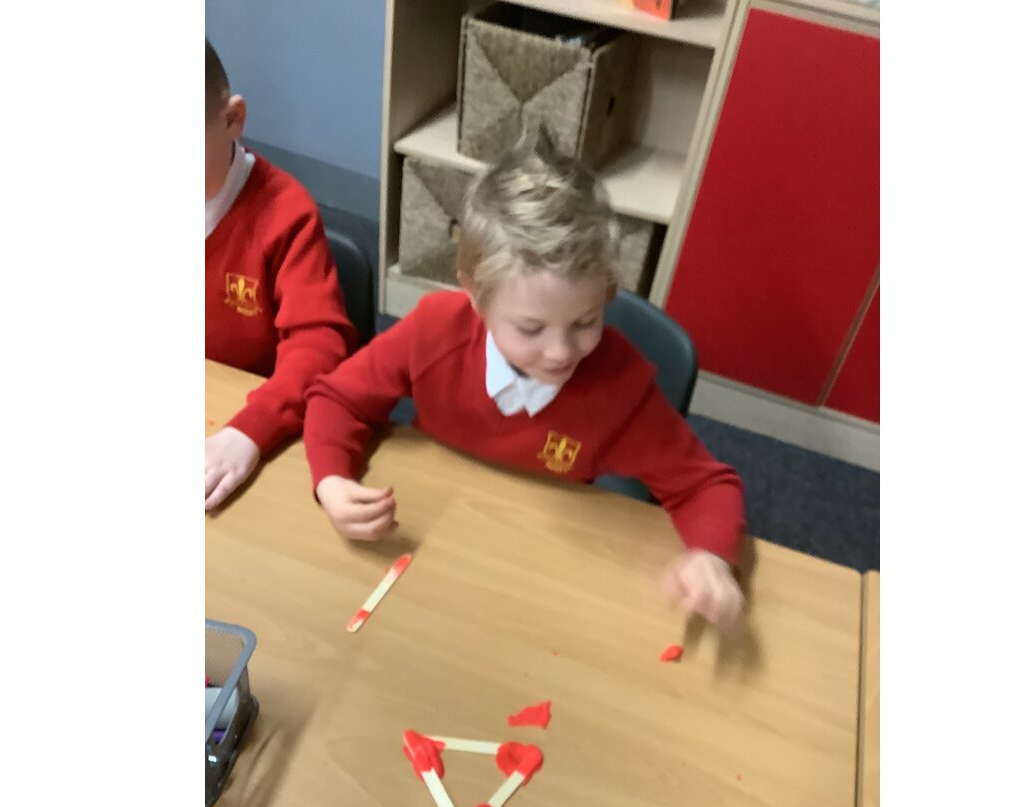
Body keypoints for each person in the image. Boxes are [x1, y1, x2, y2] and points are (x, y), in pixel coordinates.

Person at [302, 133, 745, 627]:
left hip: (538, 570)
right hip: (431, 540)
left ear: (606, 293)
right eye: (531, 329)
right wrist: (332, 481)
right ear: (475, 294)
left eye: (586, 322)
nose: (561, 353)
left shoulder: (619, 387)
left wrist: (710, 556)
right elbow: (337, 398)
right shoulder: (433, 330)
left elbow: (706, 483)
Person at [205, 40, 355, 510]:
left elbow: (319, 347)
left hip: (256, 424)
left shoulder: (286, 216)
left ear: (233, 120)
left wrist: (250, 430)